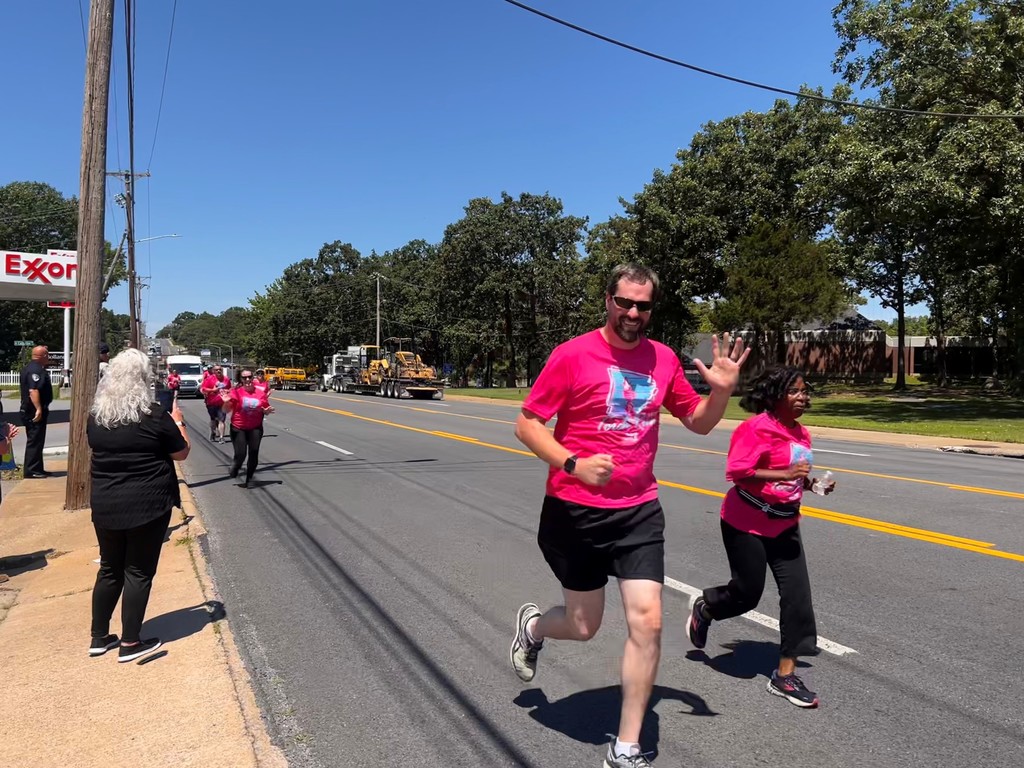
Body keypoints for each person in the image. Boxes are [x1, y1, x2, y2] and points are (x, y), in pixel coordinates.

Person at [510, 263, 749, 768]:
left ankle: (626, 747)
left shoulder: (661, 359)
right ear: (608, 300)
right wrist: (572, 463)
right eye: (625, 302)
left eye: (643, 305)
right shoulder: (572, 355)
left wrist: (722, 390)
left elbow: (700, 423)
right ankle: (533, 630)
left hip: (638, 510)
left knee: (650, 621)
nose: (634, 312)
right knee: (583, 625)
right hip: (574, 512)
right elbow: (528, 424)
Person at [686, 366, 834, 708]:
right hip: (746, 521)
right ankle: (707, 608)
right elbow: (737, 472)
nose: (804, 396)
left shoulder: (801, 434)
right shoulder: (755, 429)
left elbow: (793, 477)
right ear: (775, 395)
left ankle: (785, 676)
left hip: (785, 524)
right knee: (747, 595)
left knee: (798, 599)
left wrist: (812, 485)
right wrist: (785, 472)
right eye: (795, 391)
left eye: (805, 390)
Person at [87, 348, 190, 662]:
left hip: (105, 503)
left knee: (109, 569)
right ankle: (131, 643)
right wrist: (179, 423)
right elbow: (181, 453)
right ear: (144, 379)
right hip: (147, 503)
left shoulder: (97, 417)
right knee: (138, 572)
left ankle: (99, 637)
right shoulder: (154, 415)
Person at [221, 369, 274, 488]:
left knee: (253, 453)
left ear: (253, 377)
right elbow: (226, 410)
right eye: (244, 378)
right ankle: (236, 465)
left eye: (249, 377)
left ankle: (249, 479)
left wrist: (266, 411)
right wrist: (225, 402)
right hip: (238, 427)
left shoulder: (260, 393)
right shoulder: (236, 392)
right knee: (241, 454)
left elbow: (265, 408)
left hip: (255, 427)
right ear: (241, 379)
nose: (248, 380)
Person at [19, 345, 53, 479]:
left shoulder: (32, 368)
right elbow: (33, 390)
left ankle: (38, 468)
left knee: (38, 440)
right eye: (47, 355)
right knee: (34, 440)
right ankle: (31, 470)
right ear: (42, 356)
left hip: (32, 410)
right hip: (33, 411)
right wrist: (38, 408)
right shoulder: (35, 370)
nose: (48, 358)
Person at [200, 364, 231, 442]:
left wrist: (228, 391)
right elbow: (203, 389)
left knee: (222, 420)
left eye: (220, 369)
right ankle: (213, 432)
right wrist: (213, 390)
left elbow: (230, 389)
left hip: (223, 403)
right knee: (213, 419)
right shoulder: (209, 379)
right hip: (211, 403)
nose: (218, 371)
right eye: (216, 370)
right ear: (213, 371)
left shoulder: (226, 379)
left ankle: (221, 437)